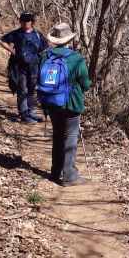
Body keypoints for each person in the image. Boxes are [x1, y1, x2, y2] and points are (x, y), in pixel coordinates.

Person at [37, 22, 91, 186]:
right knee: (71, 138)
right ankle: (69, 176)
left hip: (51, 103)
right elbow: (85, 83)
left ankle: (55, 172)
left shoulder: (45, 56)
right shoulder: (76, 58)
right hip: (71, 104)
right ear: (69, 40)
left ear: (54, 40)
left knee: (58, 135)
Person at [0, 13, 47, 123]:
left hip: (34, 67)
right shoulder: (16, 34)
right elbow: (2, 40)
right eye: (23, 20)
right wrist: (11, 50)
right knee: (22, 89)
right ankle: (24, 114)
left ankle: (31, 112)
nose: (26, 23)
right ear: (20, 21)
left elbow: (45, 47)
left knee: (32, 89)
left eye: (28, 21)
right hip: (19, 66)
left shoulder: (38, 34)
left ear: (32, 22)